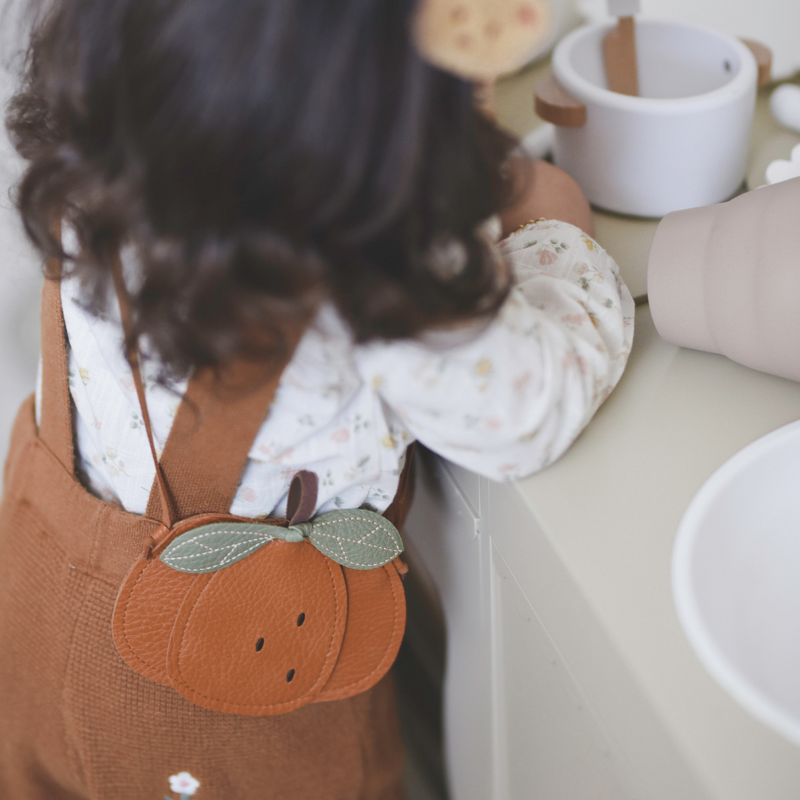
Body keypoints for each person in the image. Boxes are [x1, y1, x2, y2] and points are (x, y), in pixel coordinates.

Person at [0, 0, 634, 798]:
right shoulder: (382, 255)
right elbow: (526, 411)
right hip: (231, 723)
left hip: (42, 621)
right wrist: (554, 235)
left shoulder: (106, 126)